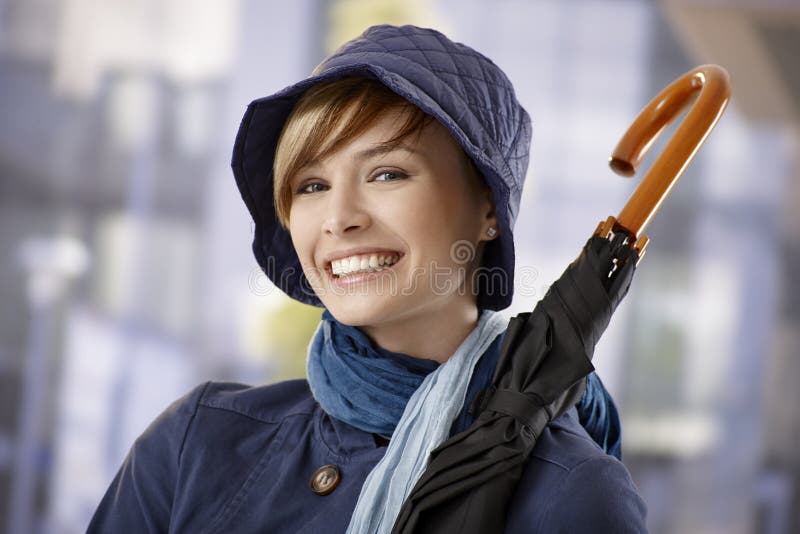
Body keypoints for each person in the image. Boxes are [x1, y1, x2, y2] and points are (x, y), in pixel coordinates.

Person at [88, 24, 647, 533]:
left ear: (488, 210)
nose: (339, 218)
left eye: (387, 173)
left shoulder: (569, 492)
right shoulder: (197, 443)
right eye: (311, 185)